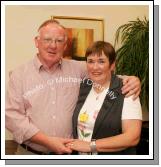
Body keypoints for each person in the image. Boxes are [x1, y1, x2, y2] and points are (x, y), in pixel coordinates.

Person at [5, 19, 141, 155]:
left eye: (59, 41)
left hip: (69, 154)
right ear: (36, 41)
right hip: (31, 154)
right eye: (47, 40)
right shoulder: (19, 75)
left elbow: (102, 72)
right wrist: (47, 141)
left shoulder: (78, 68)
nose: (53, 45)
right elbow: (12, 117)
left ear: (65, 46)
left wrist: (131, 80)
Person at [68, 41, 142, 155]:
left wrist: (90, 146)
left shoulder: (127, 90)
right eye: (90, 61)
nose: (95, 67)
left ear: (112, 65)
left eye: (101, 61)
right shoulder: (85, 86)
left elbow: (132, 137)